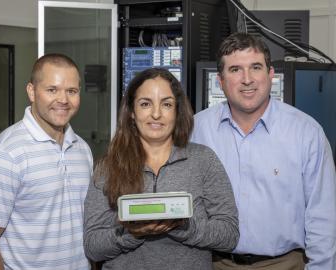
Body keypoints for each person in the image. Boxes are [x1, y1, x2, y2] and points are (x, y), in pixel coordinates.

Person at [191, 32, 336, 270]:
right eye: (235, 69)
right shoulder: (197, 130)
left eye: (256, 67)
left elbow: (322, 218)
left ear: (271, 75)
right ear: (220, 80)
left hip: (284, 264)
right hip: (215, 263)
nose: (247, 79)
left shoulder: (306, 133)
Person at [83, 67, 239, 270]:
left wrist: (183, 227)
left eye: (166, 104)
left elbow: (229, 235)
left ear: (177, 111)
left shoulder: (203, 160)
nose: (156, 114)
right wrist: (131, 234)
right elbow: (92, 246)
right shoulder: (108, 166)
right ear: (131, 112)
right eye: (146, 104)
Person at [0, 53, 93, 269]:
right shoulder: (5, 154)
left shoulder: (82, 149)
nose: (63, 100)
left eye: (72, 91)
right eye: (52, 90)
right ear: (32, 91)